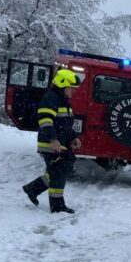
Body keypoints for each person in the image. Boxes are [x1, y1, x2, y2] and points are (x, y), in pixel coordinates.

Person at [21, 69, 82, 213]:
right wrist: (53, 139)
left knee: (63, 169)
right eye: (70, 89)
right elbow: (45, 121)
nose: (72, 92)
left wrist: (74, 137)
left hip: (61, 144)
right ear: (62, 85)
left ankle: (32, 189)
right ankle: (57, 206)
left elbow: (66, 125)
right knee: (58, 173)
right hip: (50, 144)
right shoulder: (50, 98)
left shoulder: (63, 101)